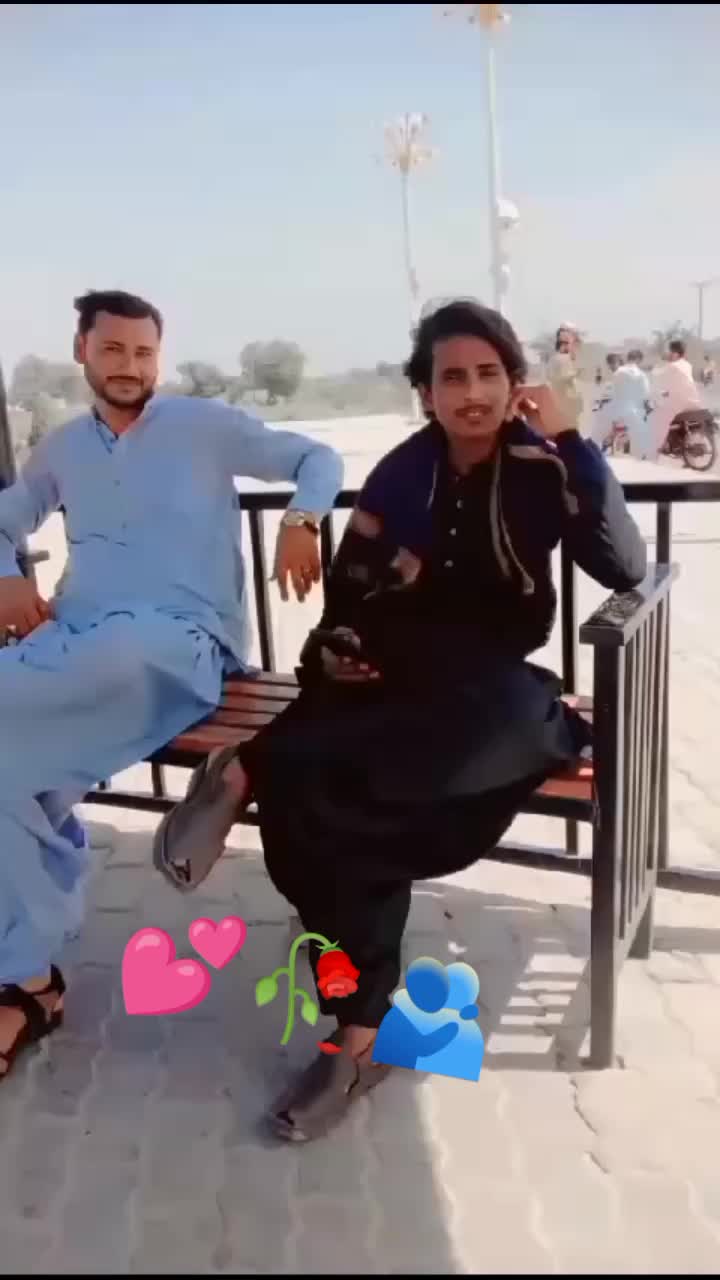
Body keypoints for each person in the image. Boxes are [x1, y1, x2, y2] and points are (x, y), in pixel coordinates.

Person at [159, 299, 646, 1143]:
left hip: (488, 686)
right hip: (392, 675)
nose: (472, 393)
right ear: (426, 392)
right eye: (452, 377)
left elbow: (624, 565)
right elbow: (350, 597)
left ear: (515, 383)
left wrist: (573, 442)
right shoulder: (400, 474)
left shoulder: (543, 465)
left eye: (488, 373)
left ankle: (250, 767)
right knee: (325, 800)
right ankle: (357, 1034)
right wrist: (340, 649)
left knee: (340, 801)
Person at [0, 289, 343, 1083]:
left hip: (181, 645)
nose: (130, 366)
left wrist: (302, 519)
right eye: (113, 350)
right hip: (79, 646)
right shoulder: (63, 448)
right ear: (83, 351)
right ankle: (29, 980)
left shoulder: (202, 425)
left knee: (117, 654)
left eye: (144, 352)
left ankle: (26, 967)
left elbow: (315, 460)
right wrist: (7, 576)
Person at [650, 339, 701, 455]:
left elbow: (657, 376)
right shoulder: (687, 365)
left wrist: (661, 362)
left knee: (656, 415)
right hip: (693, 401)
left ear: (675, 353)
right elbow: (675, 384)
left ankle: (660, 445)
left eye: (670, 351)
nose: (669, 353)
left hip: (680, 403)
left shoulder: (673, 366)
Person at [607, 349, 652, 459]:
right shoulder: (640, 374)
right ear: (638, 360)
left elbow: (613, 391)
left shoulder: (618, 372)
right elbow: (646, 393)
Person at [545, 325, 584, 431]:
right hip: (565, 403)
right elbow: (556, 379)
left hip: (568, 402)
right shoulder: (560, 359)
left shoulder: (561, 359)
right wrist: (576, 374)